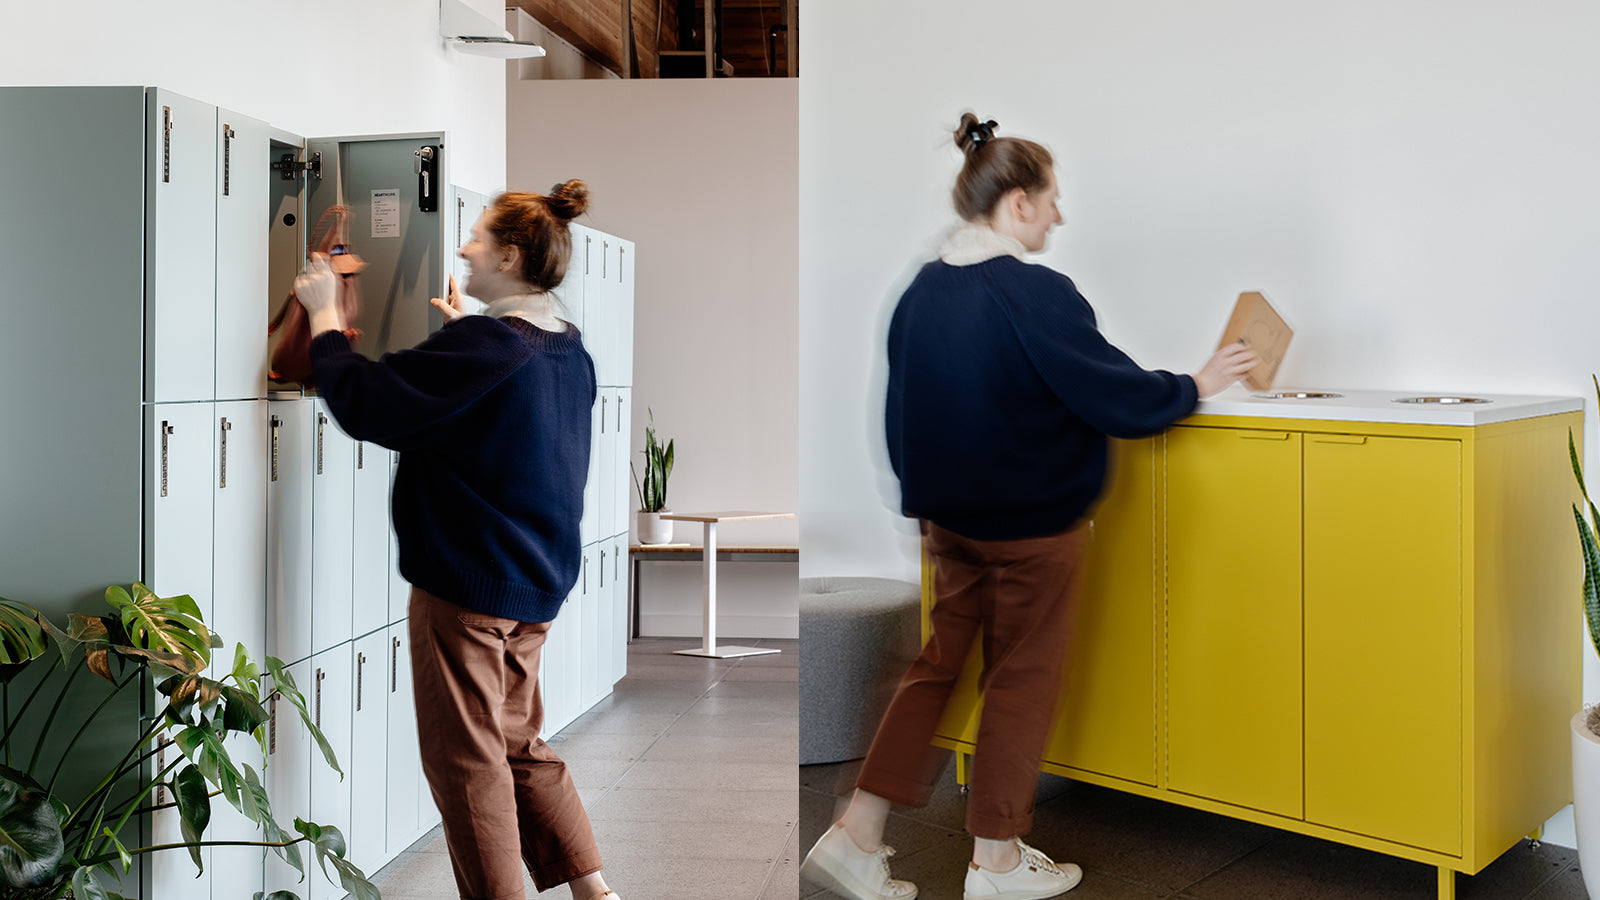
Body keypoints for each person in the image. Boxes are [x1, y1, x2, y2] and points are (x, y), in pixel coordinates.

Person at [800, 115, 1257, 900]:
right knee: (1020, 679)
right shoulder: (1033, 291)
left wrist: (922, 502)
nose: (1058, 217)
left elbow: (901, 406)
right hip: (1031, 530)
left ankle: (855, 835)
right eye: (1051, 201)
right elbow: (1109, 389)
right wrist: (1195, 385)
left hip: (947, 524)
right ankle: (997, 861)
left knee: (935, 668)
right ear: (1016, 203)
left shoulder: (923, 288)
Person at [294, 181, 620, 900]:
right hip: (534, 584)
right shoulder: (567, 349)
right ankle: (593, 889)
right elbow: (490, 422)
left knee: (466, 763)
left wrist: (323, 317)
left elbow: (370, 404)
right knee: (516, 743)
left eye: (476, 237)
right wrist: (457, 334)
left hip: (468, 587)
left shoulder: (486, 345)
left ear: (508, 253)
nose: (465, 248)